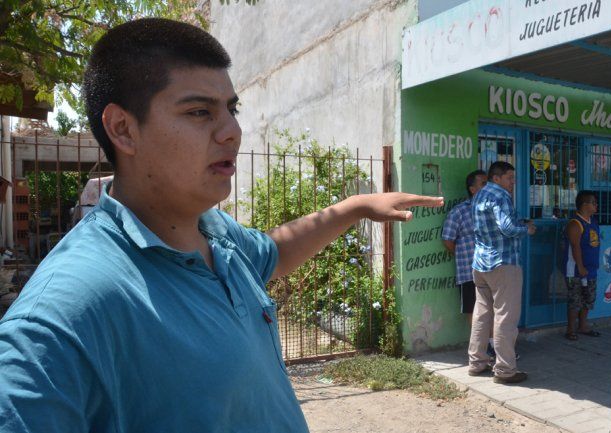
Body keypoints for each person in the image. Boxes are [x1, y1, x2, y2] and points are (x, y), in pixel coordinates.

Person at [0, 18, 442, 433]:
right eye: (199, 112)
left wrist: (357, 206)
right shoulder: (65, 310)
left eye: (232, 108)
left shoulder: (214, 232)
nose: (232, 131)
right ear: (123, 129)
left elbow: (273, 252)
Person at [467, 161, 535, 384]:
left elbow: (488, 226)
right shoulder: (501, 195)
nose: (513, 183)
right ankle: (505, 370)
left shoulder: (479, 195)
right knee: (505, 316)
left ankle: (477, 363)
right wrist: (527, 229)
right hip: (503, 263)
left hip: (481, 264)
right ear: (497, 178)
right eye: (510, 178)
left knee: (482, 313)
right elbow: (506, 228)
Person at [442, 170, 487, 323]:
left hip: (491, 269)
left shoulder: (492, 210)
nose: (487, 188)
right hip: (469, 271)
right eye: (483, 184)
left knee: (492, 308)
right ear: (472, 189)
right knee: (474, 310)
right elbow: (448, 240)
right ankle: (481, 345)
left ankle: (494, 344)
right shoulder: (459, 212)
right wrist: (463, 255)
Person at [563, 190, 601, 341]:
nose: (596, 205)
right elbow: (575, 247)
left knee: (588, 298)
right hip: (576, 271)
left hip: (591, 270)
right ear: (585, 205)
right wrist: (580, 267)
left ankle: (583, 325)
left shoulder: (593, 222)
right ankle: (570, 329)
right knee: (575, 300)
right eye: (593, 202)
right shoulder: (575, 223)